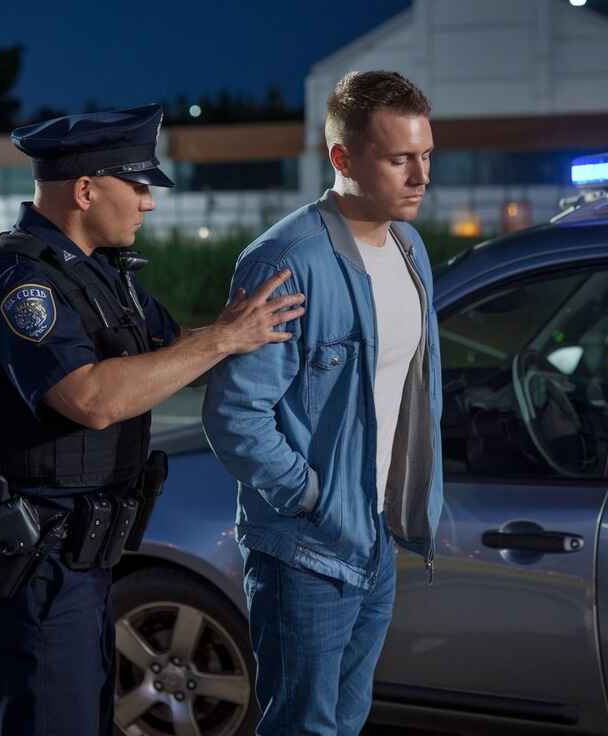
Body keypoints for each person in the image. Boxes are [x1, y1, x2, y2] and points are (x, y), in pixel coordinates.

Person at [0, 103, 306, 736]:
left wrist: (253, 336)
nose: (148, 203)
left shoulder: (102, 276)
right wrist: (223, 340)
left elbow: (177, 353)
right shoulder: (22, 287)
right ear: (86, 190)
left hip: (85, 563)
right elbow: (93, 399)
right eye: (138, 185)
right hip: (39, 567)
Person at [202, 71, 444, 735]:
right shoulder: (287, 259)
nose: (421, 176)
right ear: (342, 158)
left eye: (427, 155)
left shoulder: (409, 246)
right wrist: (311, 496)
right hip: (307, 551)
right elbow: (235, 415)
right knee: (303, 725)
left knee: (348, 718)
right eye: (400, 160)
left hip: (377, 537)